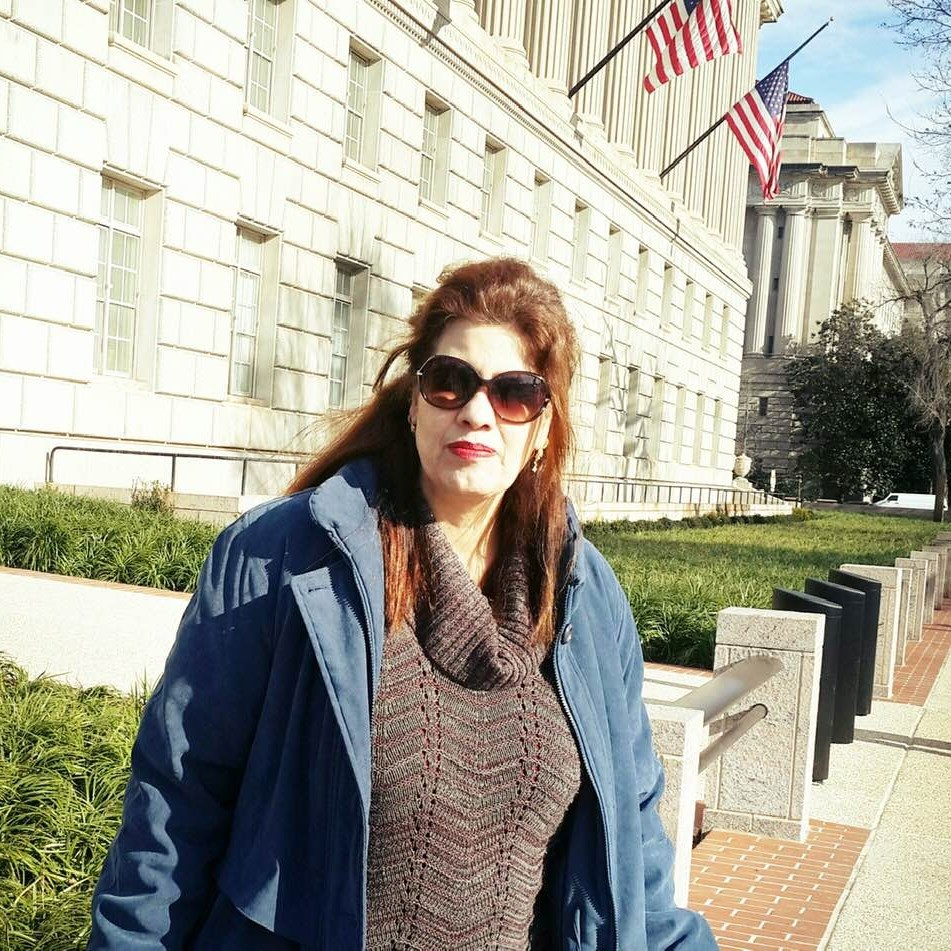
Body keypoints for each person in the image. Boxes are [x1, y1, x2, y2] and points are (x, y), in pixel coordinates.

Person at [88, 257, 718, 950]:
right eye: (450, 381)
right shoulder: (281, 559)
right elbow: (176, 805)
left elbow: (631, 845)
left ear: (543, 427)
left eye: (514, 393)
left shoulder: (583, 597)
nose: (476, 412)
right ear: (415, 400)